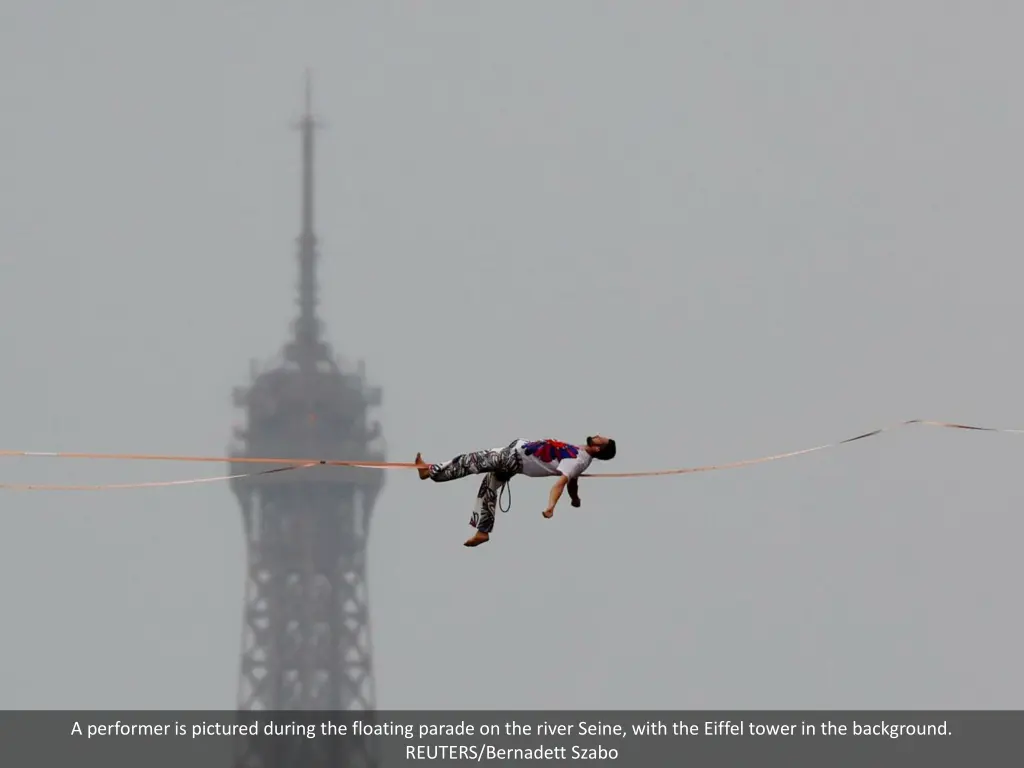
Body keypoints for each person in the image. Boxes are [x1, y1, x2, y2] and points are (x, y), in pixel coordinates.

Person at [413, 435, 617, 547]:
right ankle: (483, 532)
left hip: (512, 459)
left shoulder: (579, 460)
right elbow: (573, 483)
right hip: (514, 455)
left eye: (601, 439)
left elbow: (562, 483)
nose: (597, 436)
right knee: (488, 489)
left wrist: (551, 506)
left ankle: (430, 472)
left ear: (598, 449)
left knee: (470, 460)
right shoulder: (581, 455)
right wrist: (576, 499)